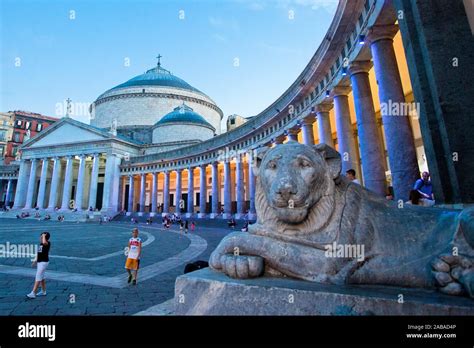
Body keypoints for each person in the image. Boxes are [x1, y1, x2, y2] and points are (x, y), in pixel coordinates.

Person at [27, 232, 51, 299]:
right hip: (40, 262)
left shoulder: (47, 243)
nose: (40, 238)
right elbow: (39, 253)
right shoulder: (41, 244)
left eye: (41, 237)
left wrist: (43, 236)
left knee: (38, 277)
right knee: (42, 277)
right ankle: (43, 291)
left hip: (43, 262)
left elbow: (44, 242)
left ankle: (33, 293)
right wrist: (35, 261)